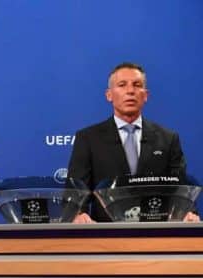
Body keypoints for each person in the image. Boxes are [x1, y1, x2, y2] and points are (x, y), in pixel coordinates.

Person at [67, 62, 199, 223]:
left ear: (146, 95)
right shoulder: (88, 138)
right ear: (109, 95)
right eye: (122, 85)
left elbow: (181, 187)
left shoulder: (168, 138)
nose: (130, 91)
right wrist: (78, 214)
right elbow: (76, 188)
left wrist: (187, 212)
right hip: (105, 233)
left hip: (157, 231)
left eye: (137, 85)